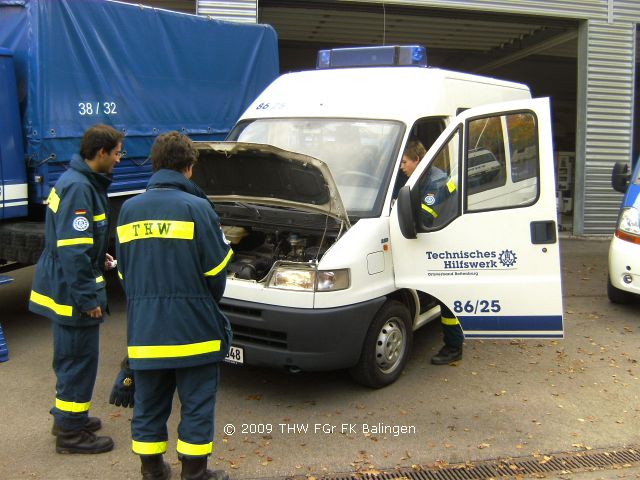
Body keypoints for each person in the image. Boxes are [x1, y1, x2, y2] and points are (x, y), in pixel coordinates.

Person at [115, 131, 233, 480]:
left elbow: (124, 273)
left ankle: (152, 471)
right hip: (195, 331)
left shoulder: (128, 211)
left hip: (145, 332)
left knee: (149, 405)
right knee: (196, 406)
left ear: (155, 164)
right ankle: (195, 474)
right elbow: (216, 273)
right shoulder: (197, 208)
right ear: (190, 168)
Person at [29, 124, 123, 453]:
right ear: (100, 153)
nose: (118, 160)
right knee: (77, 361)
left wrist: (100, 254)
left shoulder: (79, 182)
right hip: (73, 295)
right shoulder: (80, 189)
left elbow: (77, 244)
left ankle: (71, 417)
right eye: (116, 153)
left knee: (73, 359)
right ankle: (70, 434)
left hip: (67, 288)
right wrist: (88, 299)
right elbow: (72, 251)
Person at [401, 139, 464, 365]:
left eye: (405, 162)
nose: (402, 166)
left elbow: (424, 218)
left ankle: (454, 346)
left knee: (448, 300)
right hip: (441, 242)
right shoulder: (426, 176)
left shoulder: (435, 183)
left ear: (417, 160)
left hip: (446, 246)